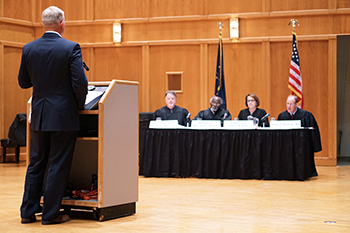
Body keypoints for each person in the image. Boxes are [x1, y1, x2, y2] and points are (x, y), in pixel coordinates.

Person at [18, 6, 88, 225]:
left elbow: (23, 82)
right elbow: (80, 84)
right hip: (63, 116)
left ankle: (28, 212)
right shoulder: (71, 48)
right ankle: (50, 214)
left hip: (39, 114)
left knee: (36, 163)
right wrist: (79, 106)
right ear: (62, 23)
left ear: (42, 24)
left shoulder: (28, 48)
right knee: (57, 163)